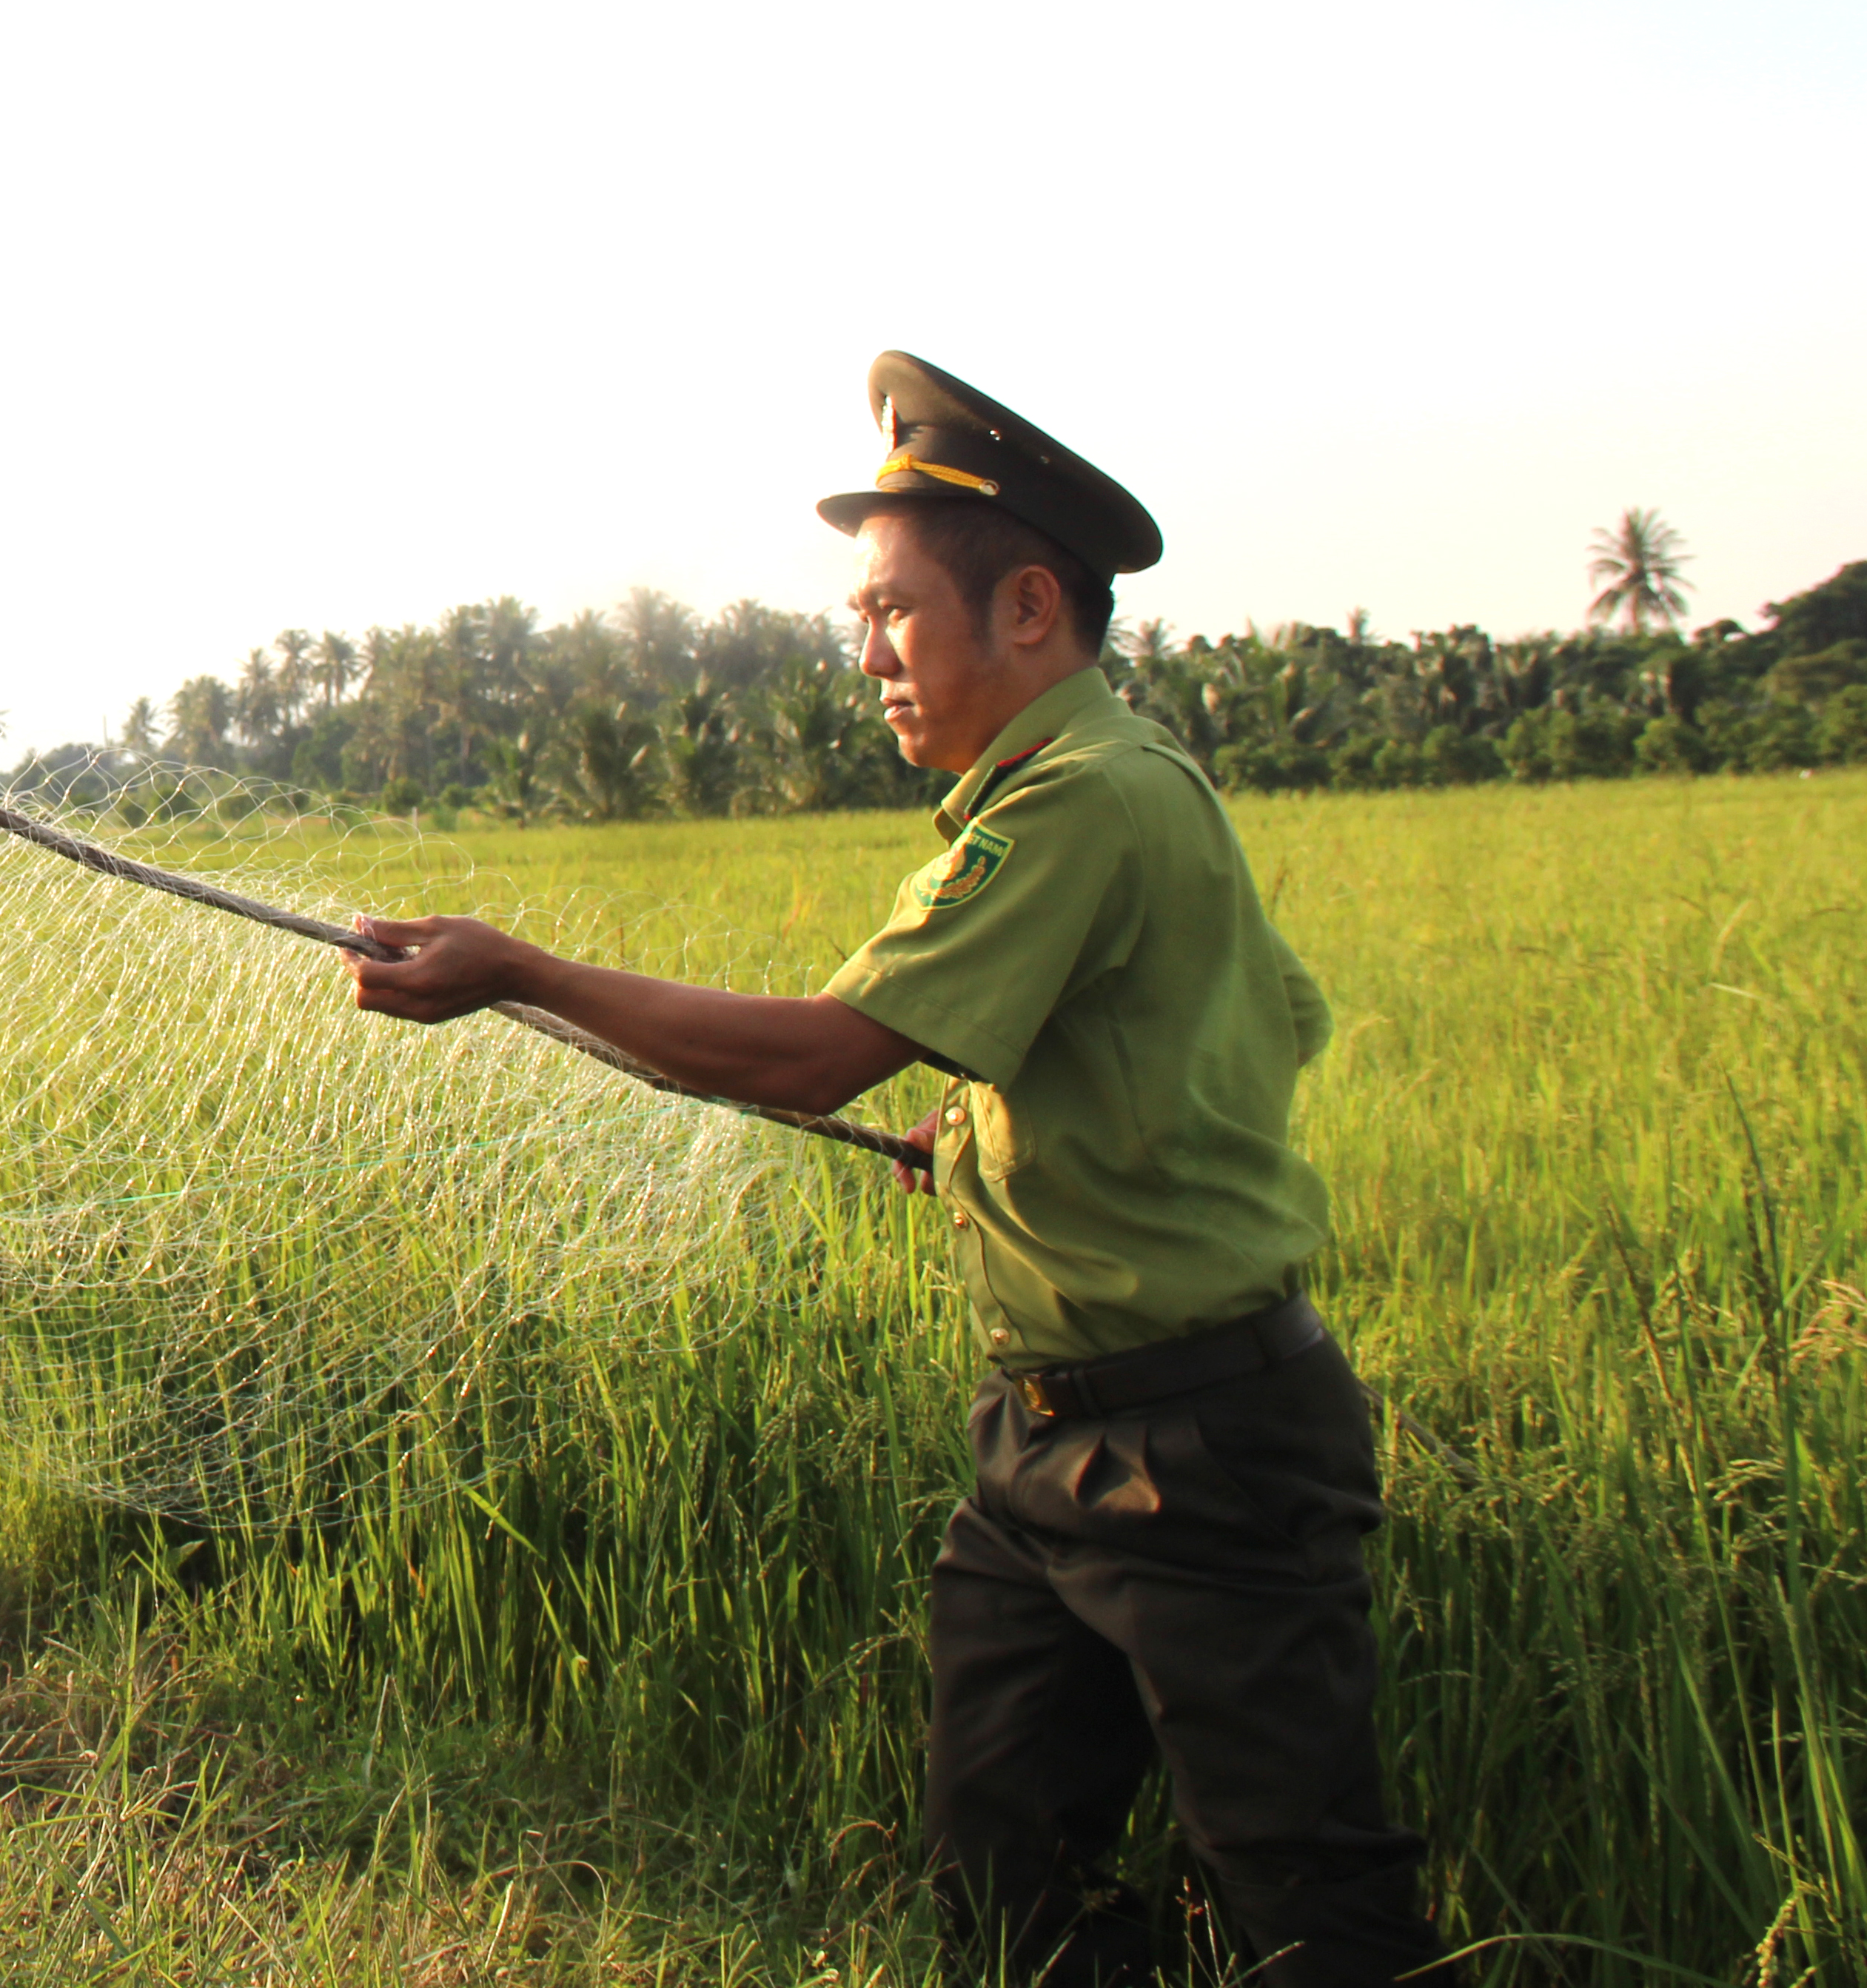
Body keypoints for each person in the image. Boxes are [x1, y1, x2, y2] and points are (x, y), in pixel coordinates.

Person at [343, 355, 1447, 1985]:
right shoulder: (1124, 787)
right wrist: (1004, 1138)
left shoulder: (1076, 801)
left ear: (1024, 609)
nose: (866, 658)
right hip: (1051, 1441)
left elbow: (816, 1056)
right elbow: (1261, 1028)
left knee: (1306, 1904)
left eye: (894, 617)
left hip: (1194, 1455)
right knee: (1005, 1874)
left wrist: (526, 974)